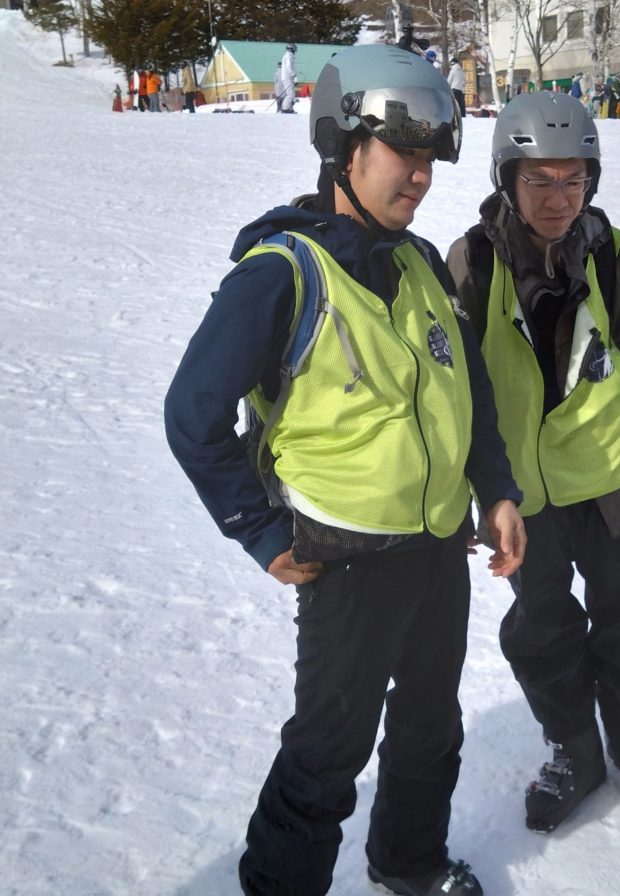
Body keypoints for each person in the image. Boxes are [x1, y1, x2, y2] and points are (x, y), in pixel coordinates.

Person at [165, 44, 527, 896]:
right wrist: (256, 529)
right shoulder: (281, 274)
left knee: (431, 726)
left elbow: (464, 383)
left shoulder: (419, 263)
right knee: (329, 749)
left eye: (431, 159)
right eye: (405, 156)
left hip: (439, 546)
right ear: (344, 147)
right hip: (346, 556)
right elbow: (192, 415)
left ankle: (410, 861)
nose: (422, 179)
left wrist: (497, 489)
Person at [446, 92, 620, 834]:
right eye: (539, 180)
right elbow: (456, 388)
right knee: (543, 631)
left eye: (573, 181)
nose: (557, 199)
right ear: (506, 179)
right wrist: (476, 493)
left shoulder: (608, 250)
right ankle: (576, 749)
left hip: (612, 478)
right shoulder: (473, 260)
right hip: (526, 494)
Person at [279, 42, 297, 113]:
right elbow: (289, 67)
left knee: (291, 94)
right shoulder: (288, 56)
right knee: (290, 94)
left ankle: (287, 107)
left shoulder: (288, 56)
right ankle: (285, 108)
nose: (295, 51)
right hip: (288, 78)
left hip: (288, 78)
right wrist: (293, 75)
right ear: (291, 49)